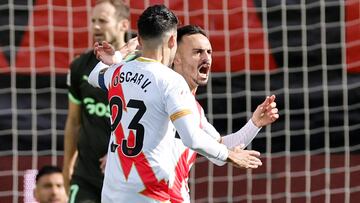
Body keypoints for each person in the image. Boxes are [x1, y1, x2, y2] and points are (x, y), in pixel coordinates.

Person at [88, 4, 263, 202]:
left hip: (113, 195)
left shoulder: (118, 72)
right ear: (173, 41)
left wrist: (122, 52)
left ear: (140, 38)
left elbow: (94, 76)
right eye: (198, 52)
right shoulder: (170, 81)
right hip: (152, 195)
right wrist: (229, 155)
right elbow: (193, 139)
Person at [62, 0, 130, 202]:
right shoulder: (80, 66)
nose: (96, 27)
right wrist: (67, 167)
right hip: (86, 177)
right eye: (93, 21)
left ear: (123, 25)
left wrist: (118, 154)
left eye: (103, 21)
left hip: (127, 176)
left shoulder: (140, 67)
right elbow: (74, 122)